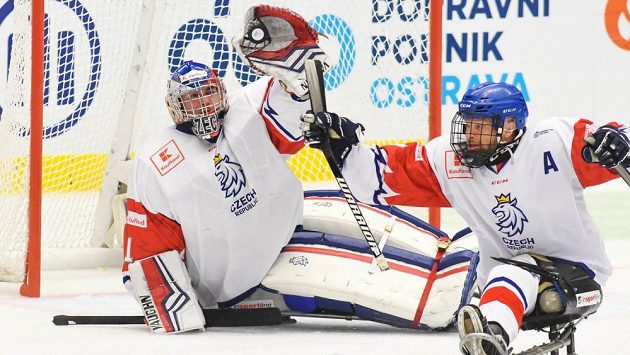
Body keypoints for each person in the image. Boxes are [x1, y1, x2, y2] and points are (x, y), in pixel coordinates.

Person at [121, 5, 477, 334]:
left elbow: (297, 100)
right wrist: (174, 307)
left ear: (222, 92)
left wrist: (295, 70)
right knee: (400, 289)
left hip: (289, 219)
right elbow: (147, 248)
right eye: (191, 101)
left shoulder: (245, 112)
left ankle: (480, 262)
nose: (203, 108)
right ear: (172, 107)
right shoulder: (155, 162)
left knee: (407, 233)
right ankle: (466, 300)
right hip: (248, 279)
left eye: (209, 95)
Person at [302, 82, 629, 354]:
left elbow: (610, 138)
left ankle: (490, 336)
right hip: (504, 275)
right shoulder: (449, 162)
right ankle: (488, 338)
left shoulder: (553, 142)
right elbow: (392, 170)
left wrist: (620, 142)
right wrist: (344, 148)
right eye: (466, 125)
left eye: (480, 127)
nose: (469, 135)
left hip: (578, 273)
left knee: (514, 272)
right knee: (512, 271)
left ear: (510, 127)